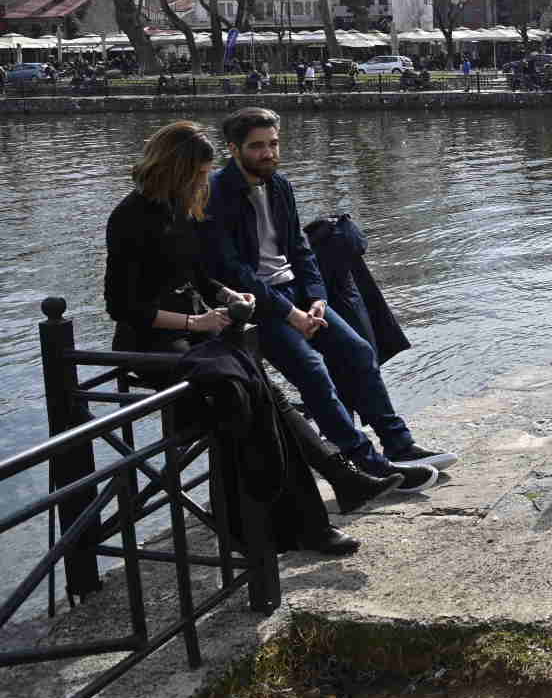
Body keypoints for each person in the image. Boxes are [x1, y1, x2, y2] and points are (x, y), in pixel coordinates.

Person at [105, 122, 396, 553]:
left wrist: (223, 294)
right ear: (176, 170)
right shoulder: (129, 217)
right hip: (153, 344)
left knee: (267, 398)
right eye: (199, 175)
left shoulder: (180, 207)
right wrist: (195, 324)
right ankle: (302, 510)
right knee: (255, 400)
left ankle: (323, 503)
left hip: (198, 339)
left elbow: (197, 274)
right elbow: (123, 307)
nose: (205, 182)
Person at [204, 108, 456, 494]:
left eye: (273, 144)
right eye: (257, 147)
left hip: (297, 294)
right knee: (314, 373)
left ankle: (400, 446)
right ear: (233, 149)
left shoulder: (280, 184)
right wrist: (290, 314)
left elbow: (300, 250)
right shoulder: (216, 193)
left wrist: (318, 298)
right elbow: (235, 270)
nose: (268, 153)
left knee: (357, 353)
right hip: (258, 306)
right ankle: (367, 466)